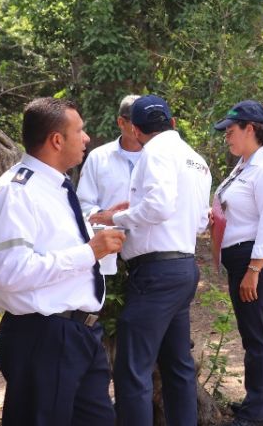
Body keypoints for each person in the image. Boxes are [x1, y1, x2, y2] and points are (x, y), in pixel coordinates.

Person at [0, 97, 126, 425]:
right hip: (43, 336)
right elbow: (10, 272)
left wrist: (99, 228)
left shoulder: (57, 187)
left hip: (80, 334)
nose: (86, 137)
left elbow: (57, 244)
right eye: (80, 130)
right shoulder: (16, 192)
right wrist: (89, 251)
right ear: (57, 140)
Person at [90, 95, 211, 425]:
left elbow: (159, 206)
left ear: (135, 129)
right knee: (177, 365)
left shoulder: (154, 152)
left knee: (132, 369)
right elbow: (201, 221)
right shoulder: (196, 160)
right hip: (184, 266)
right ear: (172, 123)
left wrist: (116, 218)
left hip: (156, 273)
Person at [211, 100, 263, 426]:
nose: (227, 137)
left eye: (231, 131)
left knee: (256, 340)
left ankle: (255, 415)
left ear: (250, 129)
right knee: (259, 336)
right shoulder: (244, 166)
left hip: (256, 260)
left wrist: (254, 270)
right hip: (242, 258)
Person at [76, 94, 142, 276]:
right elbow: (83, 204)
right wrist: (106, 216)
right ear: (121, 122)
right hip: (107, 252)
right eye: (137, 122)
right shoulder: (98, 158)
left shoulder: (159, 158)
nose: (143, 128)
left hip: (147, 251)